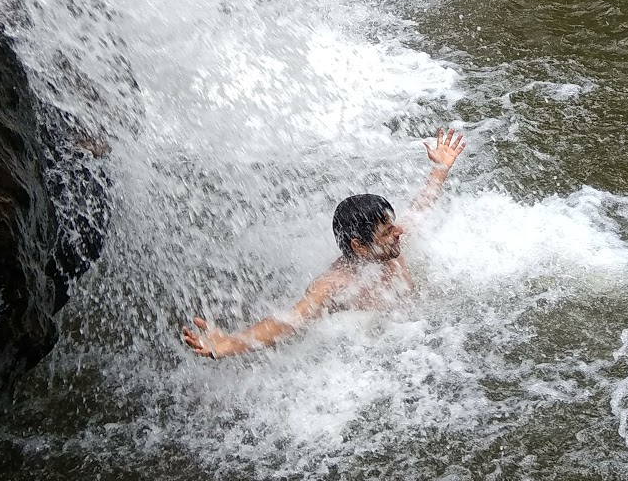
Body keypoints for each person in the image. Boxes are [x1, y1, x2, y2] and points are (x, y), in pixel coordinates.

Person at [180, 128, 466, 358]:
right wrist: (230, 344)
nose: (399, 232)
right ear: (359, 246)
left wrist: (440, 169)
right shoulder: (335, 283)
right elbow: (288, 321)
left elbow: (421, 207)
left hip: (411, 329)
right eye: (388, 231)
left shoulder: (391, 248)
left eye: (393, 225)